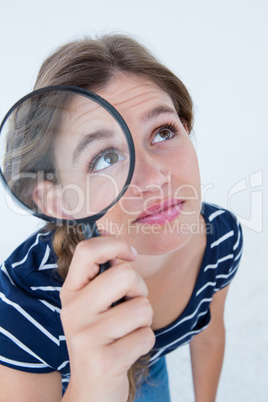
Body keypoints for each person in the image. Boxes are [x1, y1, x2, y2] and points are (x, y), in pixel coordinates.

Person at [0, 34, 243, 402]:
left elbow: (208, 334)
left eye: (163, 132)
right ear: (59, 200)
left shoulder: (222, 238)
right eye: (105, 158)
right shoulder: (23, 304)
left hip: (149, 362)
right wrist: (92, 387)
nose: (155, 178)